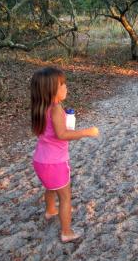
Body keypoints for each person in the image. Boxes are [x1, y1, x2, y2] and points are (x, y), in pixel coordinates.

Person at [30, 67, 99, 243]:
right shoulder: (55, 109)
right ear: (51, 89)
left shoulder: (40, 107)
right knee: (66, 196)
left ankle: (50, 210)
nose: (66, 87)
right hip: (55, 162)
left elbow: (51, 132)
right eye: (62, 84)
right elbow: (62, 135)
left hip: (40, 160)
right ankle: (67, 232)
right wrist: (87, 132)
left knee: (50, 188)